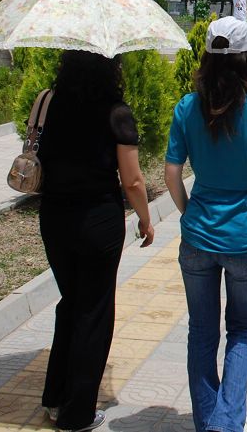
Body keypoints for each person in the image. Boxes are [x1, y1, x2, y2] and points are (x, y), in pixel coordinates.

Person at [164, 17, 247, 432]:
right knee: (242, 332)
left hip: (197, 236)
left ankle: (210, 422)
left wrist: (188, 212)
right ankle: (225, 424)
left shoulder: (187, 107)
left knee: (201, 332)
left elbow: (171, 173)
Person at [37, 50, 153, 432]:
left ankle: (55, 397)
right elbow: (132, 180)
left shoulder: (47, 101)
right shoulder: (116, 112)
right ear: (110, 66)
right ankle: (77, 414)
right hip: (98, 221)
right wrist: (146, 219)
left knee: (71, 302)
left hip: (54, 217)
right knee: (94, 311)